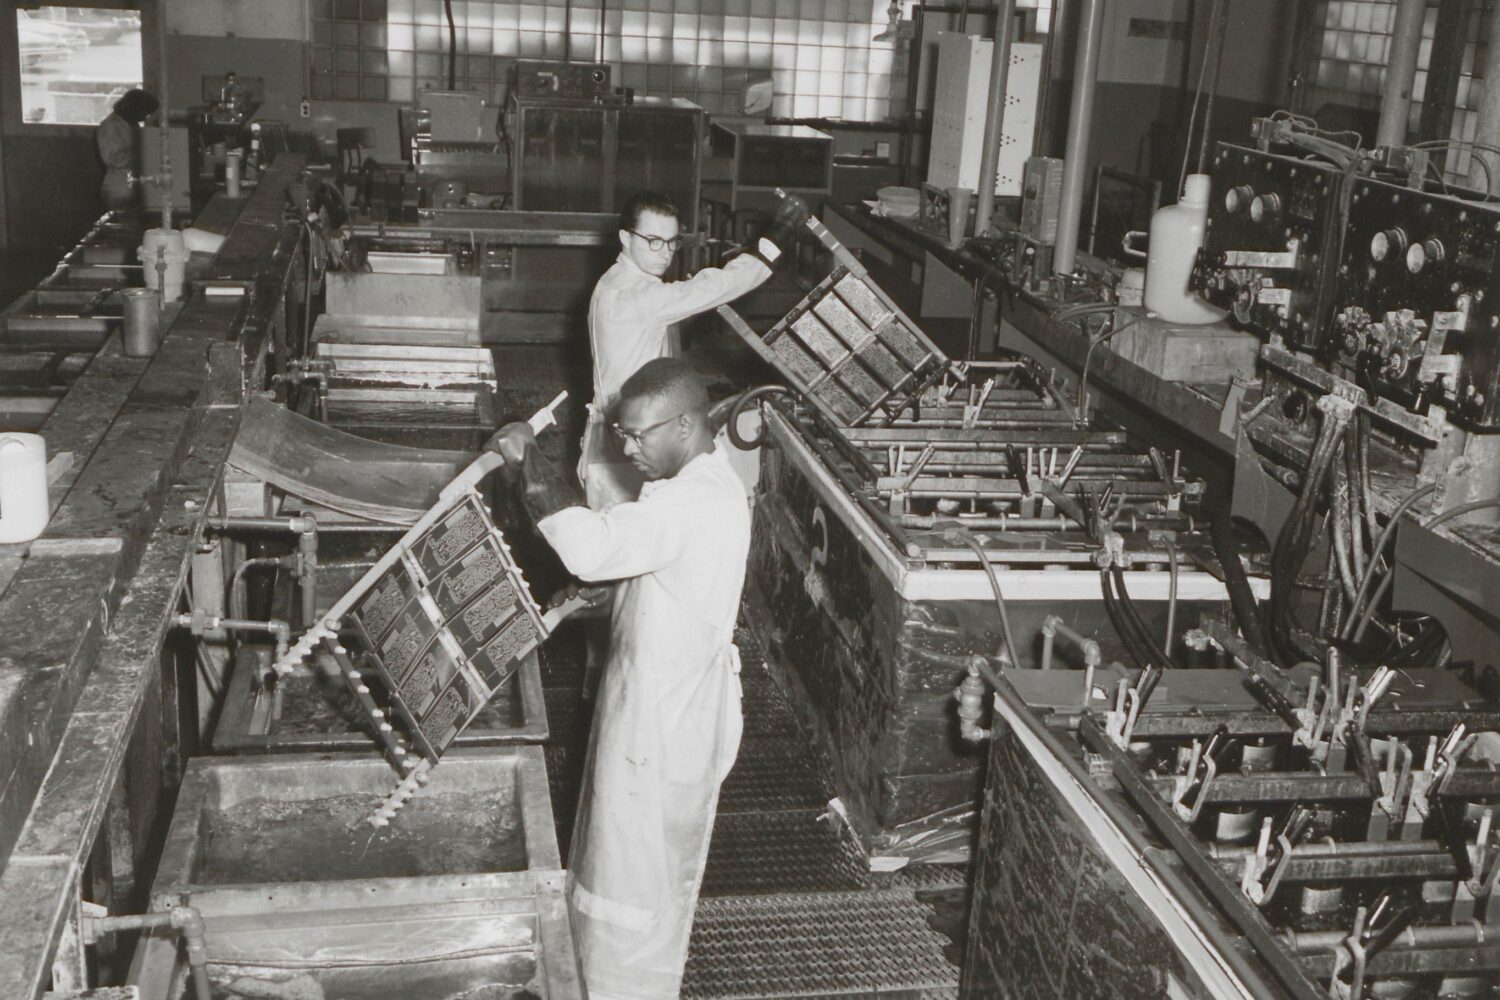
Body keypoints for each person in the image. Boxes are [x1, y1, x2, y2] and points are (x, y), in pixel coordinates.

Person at [488, 357, 751, 1000]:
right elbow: (661, 572)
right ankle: (592, 978)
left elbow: (598, 546)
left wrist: (529, 464)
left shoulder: (696, 498)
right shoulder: (689, 484)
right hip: (648, 699)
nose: (626, 450)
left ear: (685, 425)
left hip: (665, 723)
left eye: (637, 436)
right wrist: (604, 601)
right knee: (612, 858)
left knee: (638, 883)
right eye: (621, 435)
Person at [581, 189, 809, 508]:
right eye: (653, 240)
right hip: (627, 453)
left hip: (617, 439)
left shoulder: (614, 280)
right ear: (625, 237)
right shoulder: (638, 295)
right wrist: (776, 238)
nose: (665, 253)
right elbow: (716, 286)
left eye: (672, 241)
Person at [97, 88, 159, 212]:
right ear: (134, 108)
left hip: (132, 185)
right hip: (119, 187)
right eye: (144, 113)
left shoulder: (131, 124)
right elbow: (112, 158)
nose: (144, 117)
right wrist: (141, 154)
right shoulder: (110, 126)